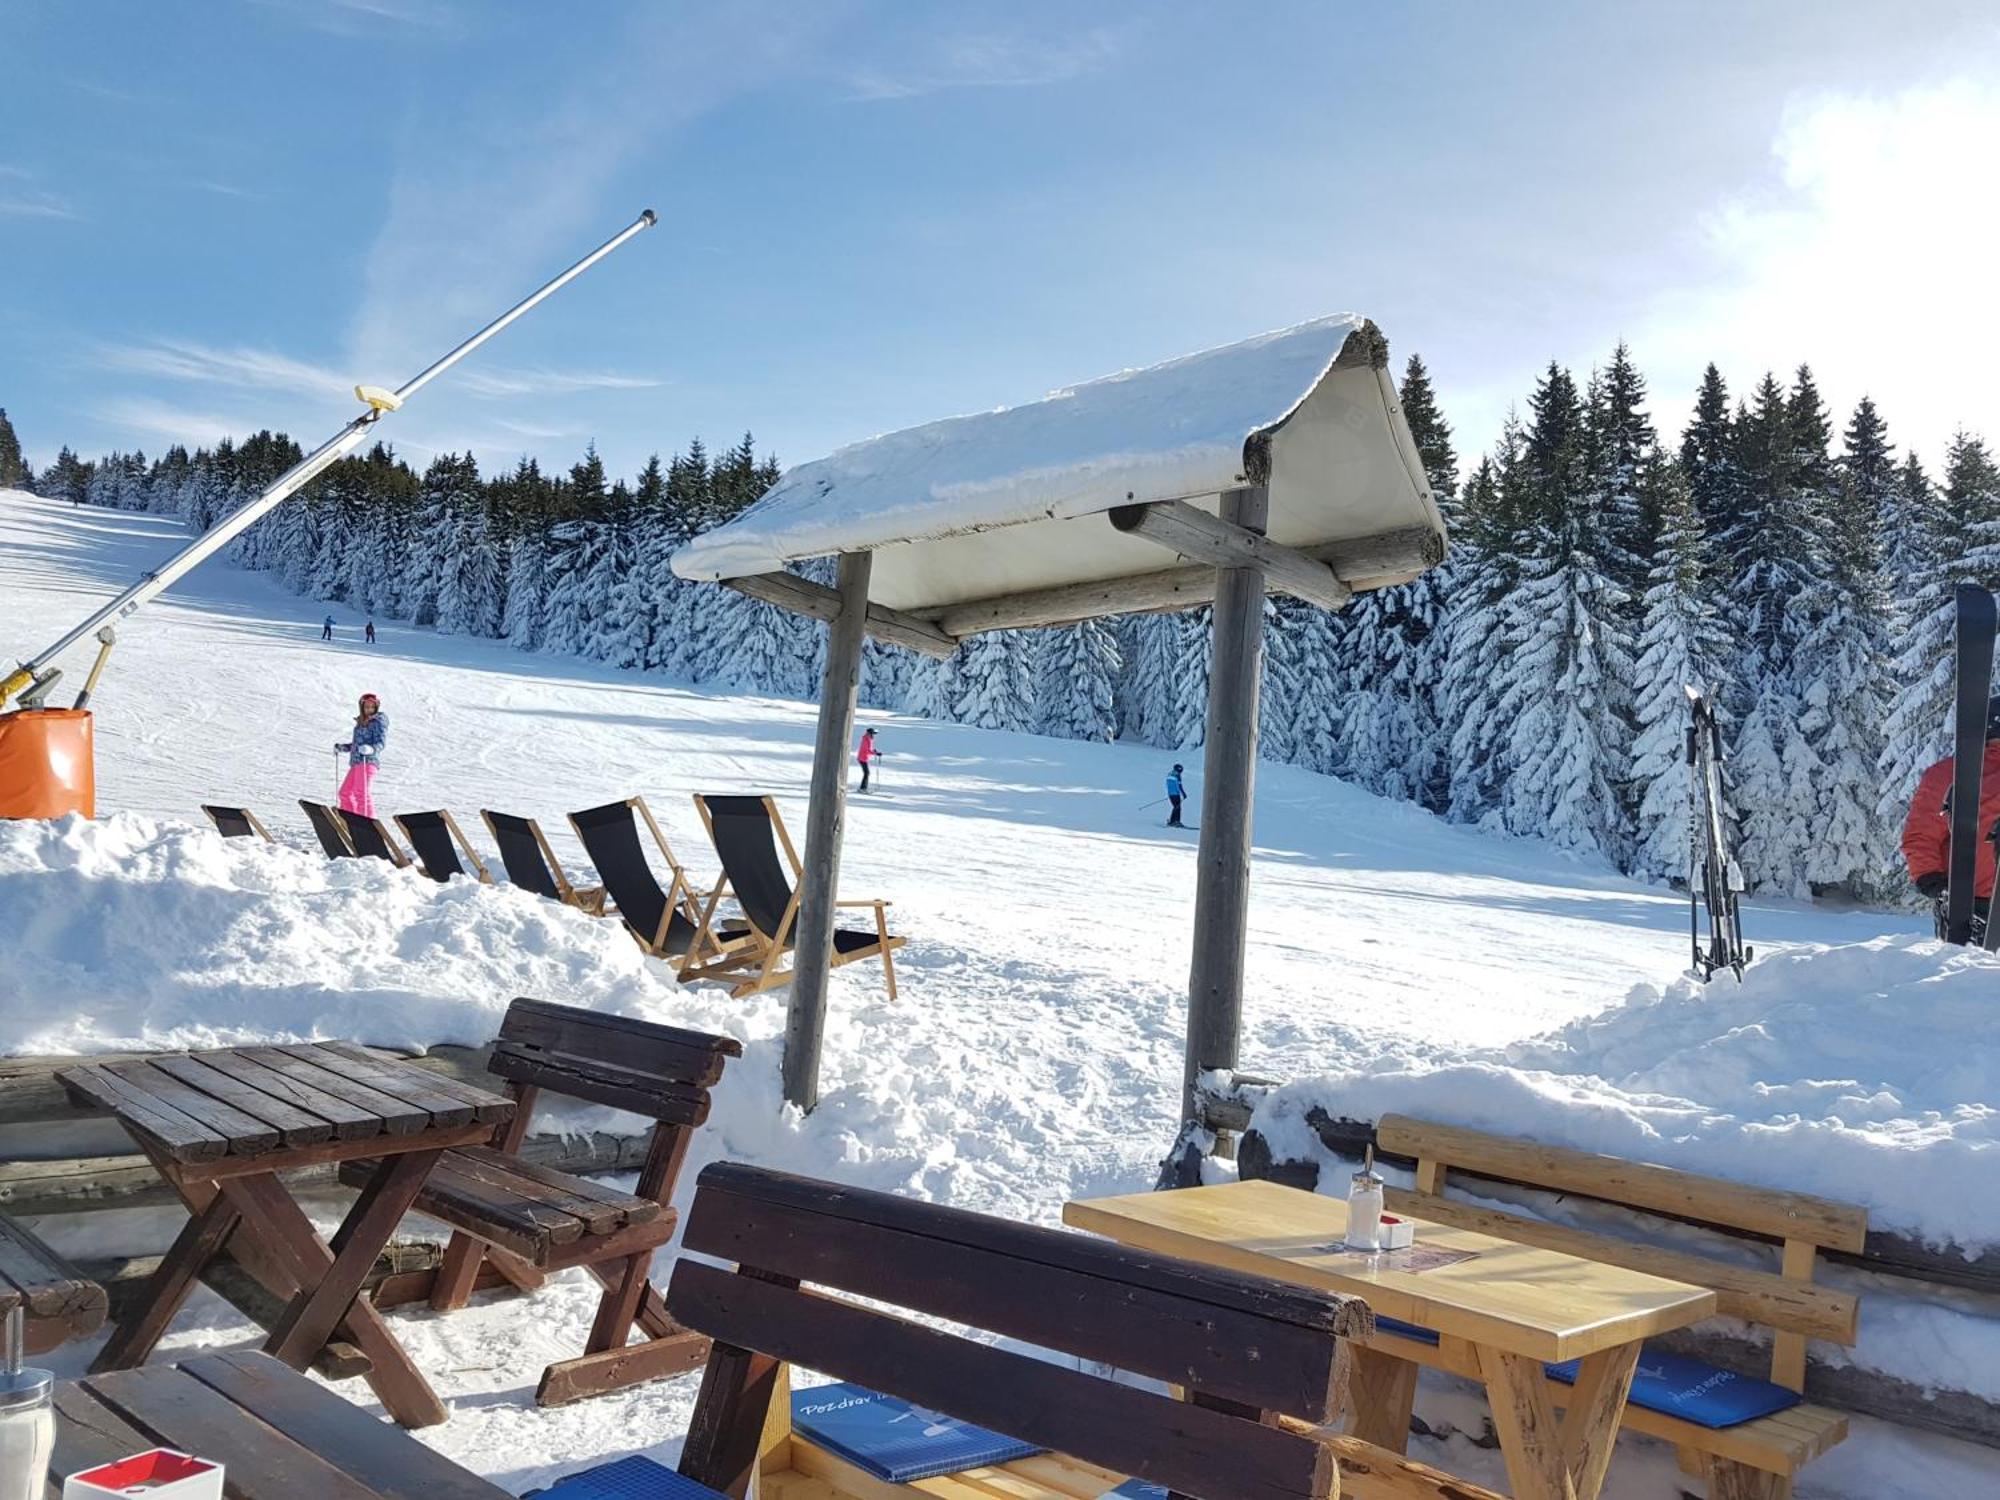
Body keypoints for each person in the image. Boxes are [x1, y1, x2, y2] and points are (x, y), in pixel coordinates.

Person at [1901, 695, 2000, 931]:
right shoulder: (1951, 774)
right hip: (1970, 904)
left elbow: (1920, 835)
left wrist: (1932, 880)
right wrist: (1933, 879)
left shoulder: (1948, 773)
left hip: (1967, 901)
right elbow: (1921, 836)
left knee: (1967, 968)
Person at [334, 692, 388, 818]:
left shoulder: (378, 722)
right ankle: (350, 819)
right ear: (362, 708)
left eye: (372, 707)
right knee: (344, 792)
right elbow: (356, 745)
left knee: (361, 793)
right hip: (356, 762)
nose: (369, 710)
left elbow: (381, 742)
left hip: (368, 761)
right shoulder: (360, 723)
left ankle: (368, 823)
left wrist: (371, 749)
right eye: (366, 707)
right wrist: (342, 747)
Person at [856, 727, 879, 792]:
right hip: (862, 758)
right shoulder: (866, 739)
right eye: (873, 733)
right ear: (870, 733)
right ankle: (863, 788)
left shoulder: (868, 739)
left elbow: (869, 750)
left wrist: (874, 751)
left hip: (863, 758)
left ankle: (863, 788)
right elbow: (867, 750)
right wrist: (875, 753)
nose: (874, 735)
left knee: (866, 773)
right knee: (867, 773)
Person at [1166, 763, 1186, 827]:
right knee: (1178, 807)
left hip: (1170, 794)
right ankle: (1176, 821)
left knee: (1175, 807)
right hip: (1176, 794)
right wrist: (1183, 793)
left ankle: (1172, 821)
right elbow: (1179, 785)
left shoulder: (1169, 774)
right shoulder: (1177, 775)